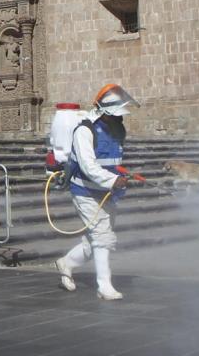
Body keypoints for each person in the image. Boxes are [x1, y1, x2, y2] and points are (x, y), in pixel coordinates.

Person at [55, 84, 140, 301]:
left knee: (93, 242)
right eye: (116, 115)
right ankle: (104, 286)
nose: (120, 120)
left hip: (107, 192)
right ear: (105, 113)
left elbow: (111, 160)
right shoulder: (85, 131)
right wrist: (113, 180)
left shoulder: (115, 130)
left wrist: (120, 176)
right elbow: (88, 166)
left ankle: (66, 263)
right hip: (85, 191)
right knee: (102, 237)